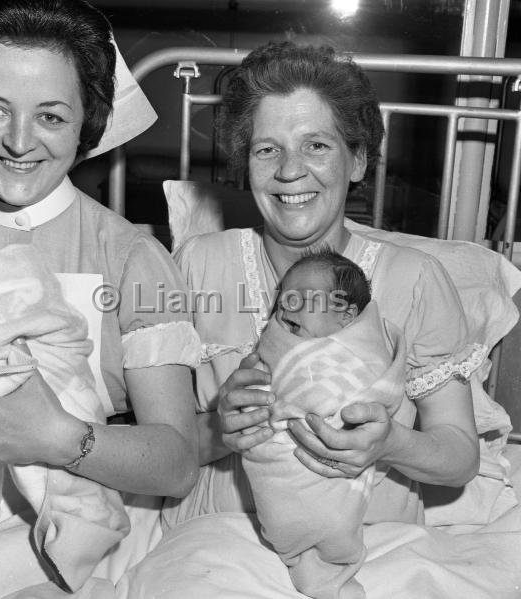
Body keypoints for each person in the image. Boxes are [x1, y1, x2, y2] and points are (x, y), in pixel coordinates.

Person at [152, 42, 491, 597]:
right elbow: (161, 448)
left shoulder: (416, 279)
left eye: (315, 145)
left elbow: (459, 458)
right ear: (246, 162)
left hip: (374, 541)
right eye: (267, 150)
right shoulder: (198, 264)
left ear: (356, 159)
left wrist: (390, 445)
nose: (290, 171)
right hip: (224, 539)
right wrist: (220, 429)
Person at [0, 1, 198, 597]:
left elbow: (177, 464)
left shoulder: (135, 260)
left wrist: (56, 434)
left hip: (74, 527)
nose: (19, 142)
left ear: (86, 124)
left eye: (50, 116)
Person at [0, 207, 132, 574]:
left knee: (54, 455)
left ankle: (81, 525)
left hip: (53, 393)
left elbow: (44, 308)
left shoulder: (120, 245)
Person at [242, 249, 406, 598]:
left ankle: (329, 563)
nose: (286, 309)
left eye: (301, 300)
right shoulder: (276, 345)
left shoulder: (357, 357)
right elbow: (257, 388)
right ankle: (309, 559)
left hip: (333, 484)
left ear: (345, 316)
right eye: (283, 300)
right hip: (280, 478)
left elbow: (375, 389)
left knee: (332, 527)